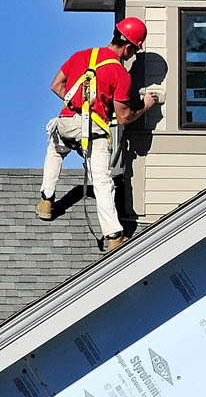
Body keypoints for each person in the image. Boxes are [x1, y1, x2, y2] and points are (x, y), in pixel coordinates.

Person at [36, 17, 157, 251]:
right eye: (133, 51)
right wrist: (145, 106)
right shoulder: (121, 74)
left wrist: (79, 105)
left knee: (55, 150)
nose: (131, 56)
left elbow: (56, 85)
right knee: (102, 180)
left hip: (67, 122)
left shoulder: (81, 56)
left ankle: (46, 202)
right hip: (94, 130)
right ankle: (114, 235)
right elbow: (123, 117)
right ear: (128, 46)